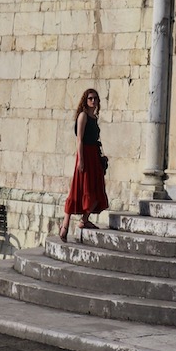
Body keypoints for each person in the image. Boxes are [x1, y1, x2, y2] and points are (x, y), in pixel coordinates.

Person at [59, 87, 108, 239]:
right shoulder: (83, 116)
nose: (93, 101)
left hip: (93, 155)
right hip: (84, 155)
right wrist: (81, 160)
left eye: (95, 98)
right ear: (85, 101)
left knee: (96, 188)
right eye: (90, 98)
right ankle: (65, 225)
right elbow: (79, 139)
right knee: (78, 189)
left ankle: (84, 220)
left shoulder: (94, 117)